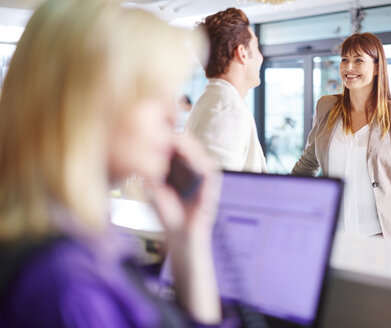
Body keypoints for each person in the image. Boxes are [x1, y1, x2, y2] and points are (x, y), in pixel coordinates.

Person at [0, 0, 228, 326]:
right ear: (88, 105)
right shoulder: (66, 284)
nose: (172, 114)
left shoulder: (76, 241)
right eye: (153, 94)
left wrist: (188, 238)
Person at [292, 33, 391, 242]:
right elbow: (308, 162)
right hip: (332, 236)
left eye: (358, 60)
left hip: (380, 238)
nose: (349, 68)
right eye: (344, 60)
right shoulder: (326, 106)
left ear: (376, 67)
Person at [184, 8, 267, 173]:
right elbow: (215, 192)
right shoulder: (225, 110)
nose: (261, 57)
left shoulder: (215, 102)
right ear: (242, 53)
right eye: (256, 47)